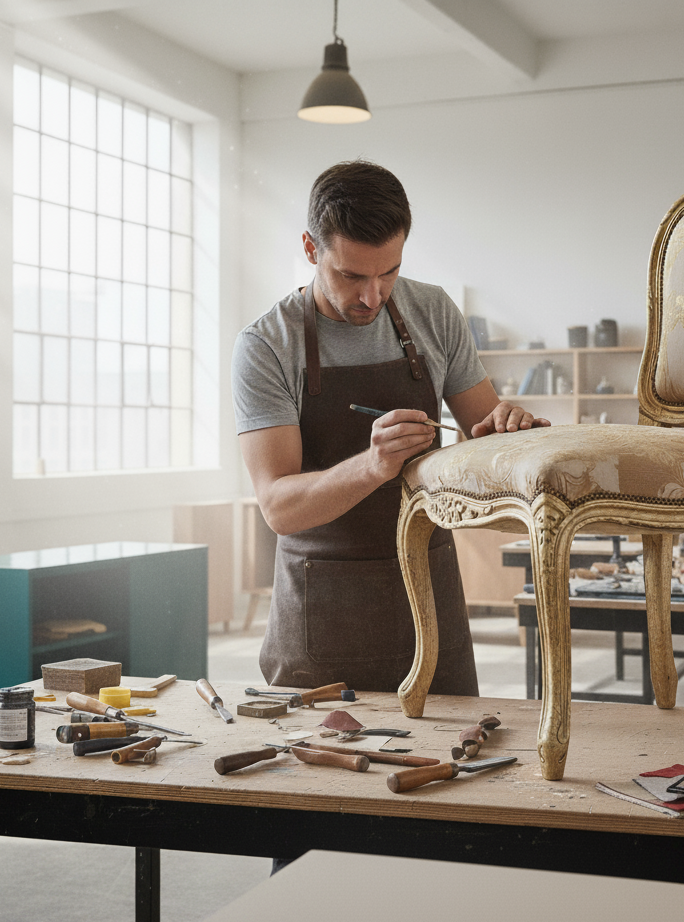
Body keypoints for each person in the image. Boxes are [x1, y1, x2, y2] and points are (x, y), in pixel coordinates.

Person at [231, 160, 549, 697]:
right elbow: (280, 508)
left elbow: (484, 445)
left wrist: (507, 431)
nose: (374, 296)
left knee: (454, 765)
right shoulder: (267, 345)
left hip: (429, 591)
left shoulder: (433, 311)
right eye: (352, 275)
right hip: (320, 609)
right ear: (311, 249)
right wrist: (374, 465)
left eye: (390, 271)